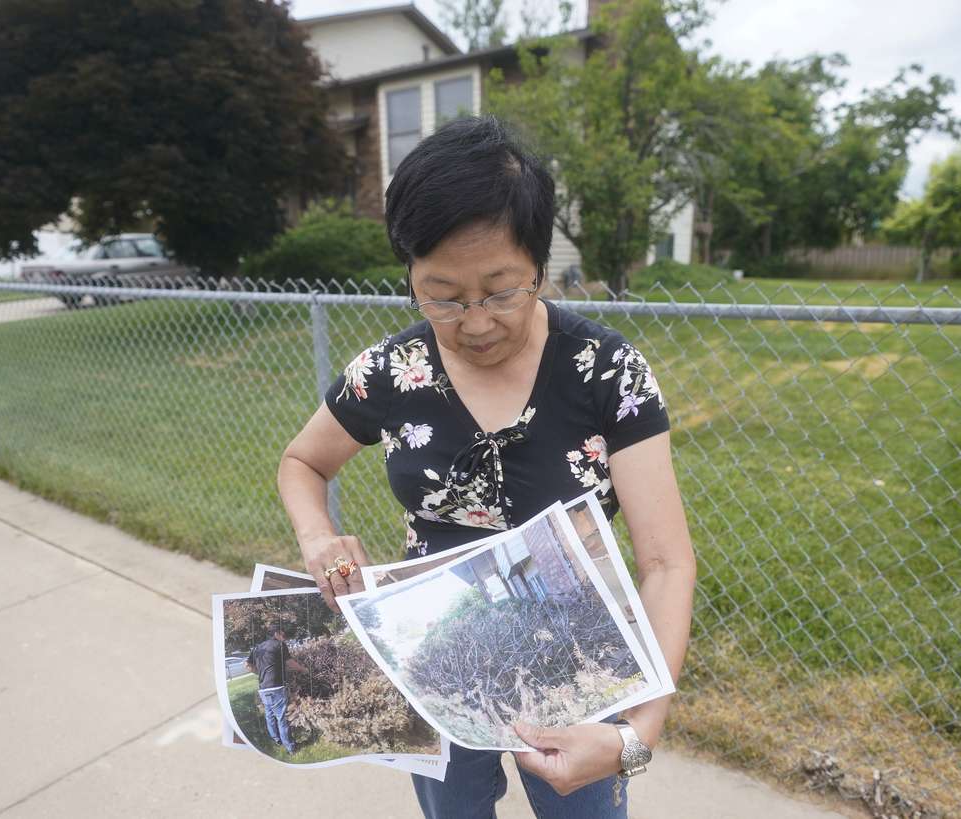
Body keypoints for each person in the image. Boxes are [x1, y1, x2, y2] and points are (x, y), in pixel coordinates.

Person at [277, 115, 696, 819]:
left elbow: (665, 563)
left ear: (540, 265)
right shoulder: (392, 370)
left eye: (502, 290)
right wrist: (318, 539)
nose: (474, 322)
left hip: (580, 674)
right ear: (409, 274)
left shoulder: (605, 370)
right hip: (432, 656)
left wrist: (631, 736)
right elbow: (302, 461)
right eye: (442, 295)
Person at [247, 627, 308, 755]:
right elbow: (290, 663)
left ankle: (277, 740)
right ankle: (291, 748)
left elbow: (247, 665)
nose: (284, 636)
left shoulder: (258, 648)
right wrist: (303, 669)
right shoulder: (279, 645)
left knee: (270, 715)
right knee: (281, 718)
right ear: (276, 634)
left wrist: (261, 674)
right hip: (276, 687)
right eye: (282, 634)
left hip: (263, 688)